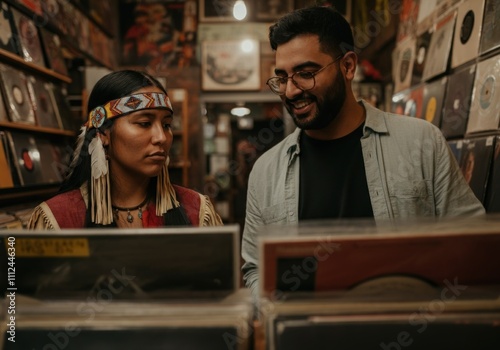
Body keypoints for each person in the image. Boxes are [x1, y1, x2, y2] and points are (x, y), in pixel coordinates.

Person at [241, 6, 485, 298]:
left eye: (306, 74)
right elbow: (255, 269)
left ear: (347, 66)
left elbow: (473, 243)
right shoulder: (266, 172)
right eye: (282, 78)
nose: (291, 91)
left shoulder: (421, 143)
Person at [29, 70, 222, 229]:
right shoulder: (58, 219)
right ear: (103, 133)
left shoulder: (197, 211)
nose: (161, 138)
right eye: (144, 123)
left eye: (166, 125)